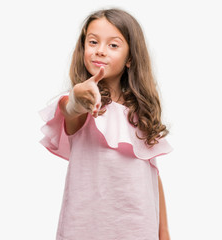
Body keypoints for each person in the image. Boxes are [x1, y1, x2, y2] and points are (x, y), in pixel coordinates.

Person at [39, 8, 173, 240]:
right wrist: (80, 99)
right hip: (86, 229)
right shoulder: (86, 106)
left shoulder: (140, 115)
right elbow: (71, 108)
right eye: (93, 42)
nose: (100, 50)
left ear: (130, 57)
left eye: (113, 45)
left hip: (138, 228)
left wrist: (164, 233)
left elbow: (152, 175)